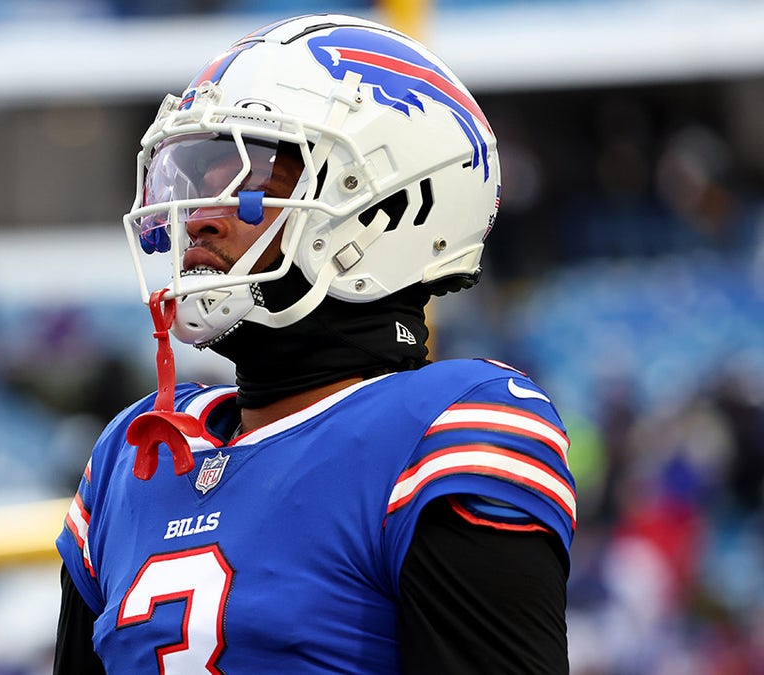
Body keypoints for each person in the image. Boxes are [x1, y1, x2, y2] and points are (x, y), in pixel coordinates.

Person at [55, 13, 575, 674]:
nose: (200, 217)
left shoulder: (446, 430)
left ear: (385, 206)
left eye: (247, 175)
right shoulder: (132, 458)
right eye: (194, 178)